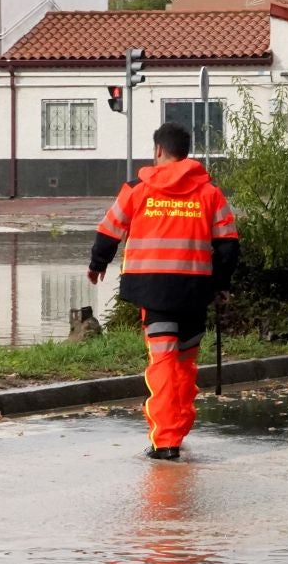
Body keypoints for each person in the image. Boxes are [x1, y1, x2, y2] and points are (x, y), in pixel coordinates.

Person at [88, 123, 240, 460]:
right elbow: (228, 245)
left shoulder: (136, 189)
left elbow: (109, 231)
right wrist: (221, 285)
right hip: (194, 291)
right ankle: (178, 430)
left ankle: (166, 440)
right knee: (184, 364)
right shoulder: (210, 193)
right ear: (187, 153)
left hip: (153, 290)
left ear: (159, 150)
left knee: (163, 362)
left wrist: (97, 265)